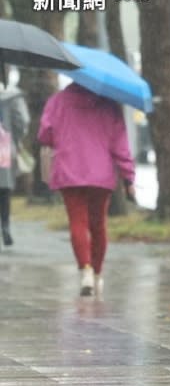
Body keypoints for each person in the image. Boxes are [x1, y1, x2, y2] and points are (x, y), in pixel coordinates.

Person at [37, 83, 136, 296]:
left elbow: (45, 135)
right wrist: (128, 178)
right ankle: (98, 274)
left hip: (69, 169)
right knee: (98, 224)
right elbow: (120, 146)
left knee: (77, 222)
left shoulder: (57, 101)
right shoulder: (109, 105)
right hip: (100, 174)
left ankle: (86, 270)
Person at [0, 85, 31, 247]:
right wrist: (16, 139)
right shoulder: (12, 95)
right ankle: (5, 226)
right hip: (3, 143)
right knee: (4, 188)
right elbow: (22, 120)